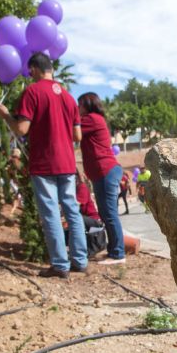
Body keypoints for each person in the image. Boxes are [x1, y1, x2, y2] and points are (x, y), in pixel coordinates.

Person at [0, 52, 87, 279]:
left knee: (50, 214)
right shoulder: (68, 96)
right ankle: (80, 261)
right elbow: (78, 135)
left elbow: (21, 129)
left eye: (30, 72)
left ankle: (60, 265)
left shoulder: (33, 92)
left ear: (34, 69)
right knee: (72, 211)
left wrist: (7, 116)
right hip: (66, 162)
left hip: (44, 163)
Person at [77, 92, 126, 265]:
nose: (78, 108)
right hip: (102, 174)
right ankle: (115, 250)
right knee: (107, 214)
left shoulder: (91, 119)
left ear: (88, 104)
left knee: (110, 214)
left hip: (105, 172)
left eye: (80, 104)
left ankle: (118, 254)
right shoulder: (93, 119)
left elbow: (70, 126)